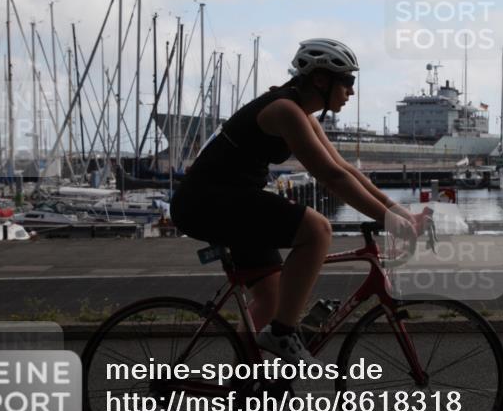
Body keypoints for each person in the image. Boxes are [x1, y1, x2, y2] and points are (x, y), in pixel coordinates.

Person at [170, 38, 415, 364]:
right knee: (317, 230)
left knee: (271, 299)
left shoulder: (301, 113)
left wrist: (396, 210)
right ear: (320, 79)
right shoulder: (284, 110)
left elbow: (343, 167)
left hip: (231, 200)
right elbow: (331, 178)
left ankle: (246, 391)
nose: (351, 92)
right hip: (207, 201)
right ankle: (283, 334)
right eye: (347, 82)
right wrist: (389, 221)